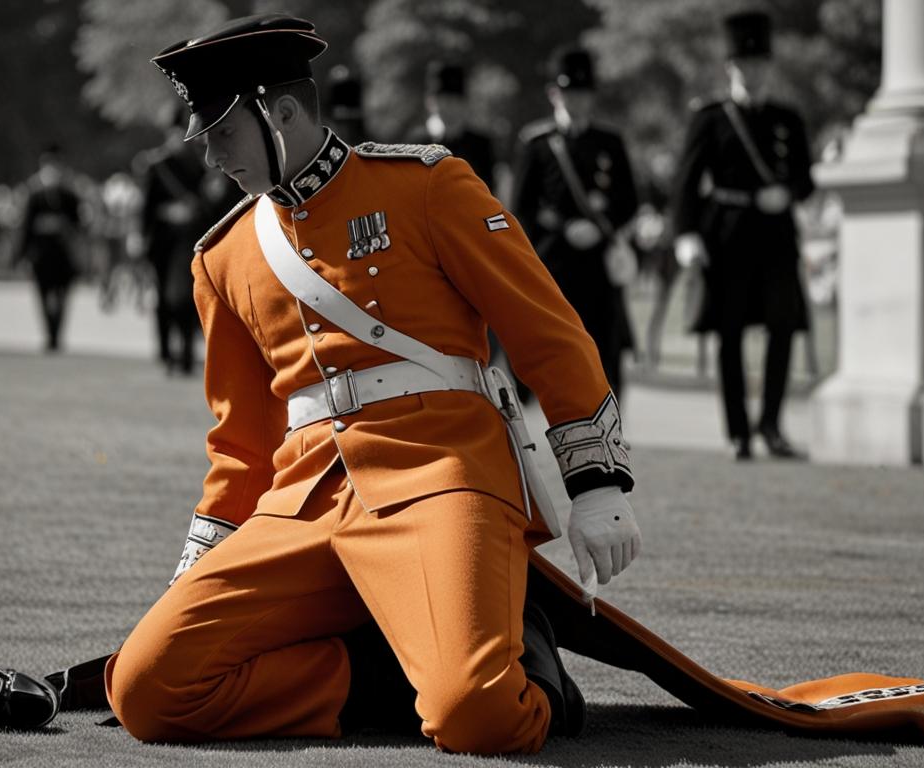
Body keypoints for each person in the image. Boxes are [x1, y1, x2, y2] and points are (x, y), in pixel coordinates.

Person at [105, 13, 638, 753]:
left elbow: (544, 328)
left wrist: (598, 483)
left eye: (223, 131)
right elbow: (240, 441)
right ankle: (386, 673)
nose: (211, 155)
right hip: (303, 503)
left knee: (478, 720)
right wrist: (202, 564)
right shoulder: (221, 256)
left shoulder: (427, 185)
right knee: (148, 692)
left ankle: (530, 655)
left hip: (444, 472)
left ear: (280, 113)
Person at [670, 11, 814, 461]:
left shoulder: (788, 119)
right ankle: (738, 432)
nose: (752, 71)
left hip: (775, 235)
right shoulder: (710, 118)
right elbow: (686, 181)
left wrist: (786, 193)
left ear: (769, 67)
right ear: (730, 67)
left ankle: (770, 424)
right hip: (726, 235)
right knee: (728, 334)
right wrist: (687, 236)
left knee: (783, 326)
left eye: (759, 64)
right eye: (744, 64)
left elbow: (807, 179)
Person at [511, 47, 641, 398]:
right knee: (552, 342)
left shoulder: (610, 143)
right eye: (569, 93)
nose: (577, 101)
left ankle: (610, 421)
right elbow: (521, 206)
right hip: (554, 260)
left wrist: (599, 228)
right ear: (555, 94)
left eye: (583, 93)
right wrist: (563, 228)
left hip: (599, 261)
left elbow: (629, 201)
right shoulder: (536, 143)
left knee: (604, 344)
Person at [137, 106, 210, 374]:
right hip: (162, 240)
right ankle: (167, 351)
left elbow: (206, 204)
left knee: (186, 298)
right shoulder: (158, 166)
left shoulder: (199, 165)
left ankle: (188, 354)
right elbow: (147, 207)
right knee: (164, 299)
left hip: (189, 239)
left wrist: (191, 211)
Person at [18, 145, 85, 352]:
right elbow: (26, 227)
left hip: (64, 253)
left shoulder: (70, 195)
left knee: (63, 295)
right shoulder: (34, 196)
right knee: (43, 295)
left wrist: (61, 224)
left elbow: (78, 224)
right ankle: (50, 333)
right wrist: (23, 254)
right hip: (42, 252)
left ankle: (57, 333)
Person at [409, 62, 496, 189]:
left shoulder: (481, 146)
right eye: (444, 101)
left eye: (456, 101)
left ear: (465, 103)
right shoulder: (418, 143)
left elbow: (489, 193)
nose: (450, 108)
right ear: (432, 102)